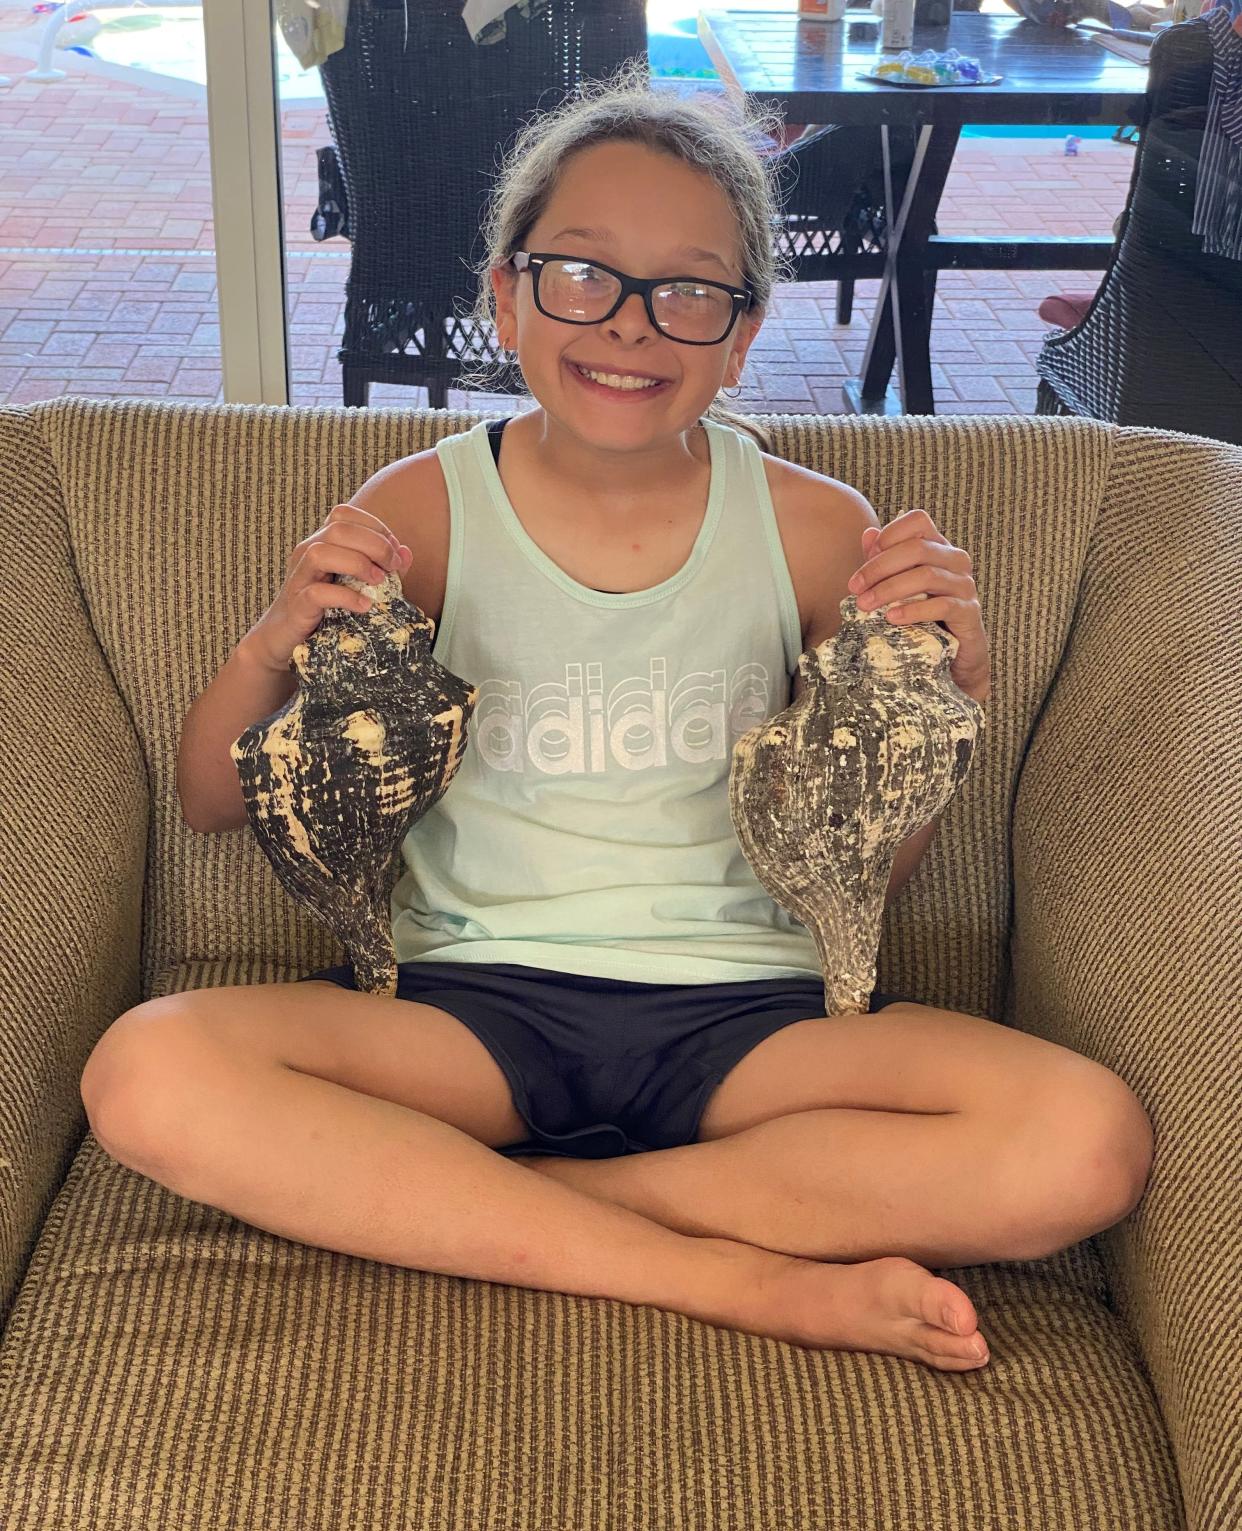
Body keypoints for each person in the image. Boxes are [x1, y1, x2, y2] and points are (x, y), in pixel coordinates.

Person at [81, 62, 1153, 1373]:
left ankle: (479, 1211)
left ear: (743, 332)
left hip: (751, 1022)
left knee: (1082, 1139)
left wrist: (931, 715)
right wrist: (268, 644)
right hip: (458, 1014)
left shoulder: (819, 533)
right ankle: (742, 1282)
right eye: (580, 273)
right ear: (505, 295)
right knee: (146, 1069)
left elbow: (861, 871)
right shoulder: (417, 511)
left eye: (690, 291)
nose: (630, 325)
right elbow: (209, 801)